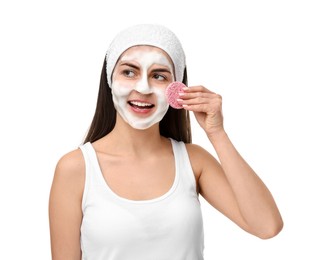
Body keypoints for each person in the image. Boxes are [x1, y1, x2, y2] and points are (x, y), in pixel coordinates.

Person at [49, 24, 283, 260]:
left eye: (158, 76)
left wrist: (217, 133)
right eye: (129, 72)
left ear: (176, 89)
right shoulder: (75, 168)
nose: (143, 88)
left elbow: (266, 226)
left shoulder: (193, 161)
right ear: (110, 79)